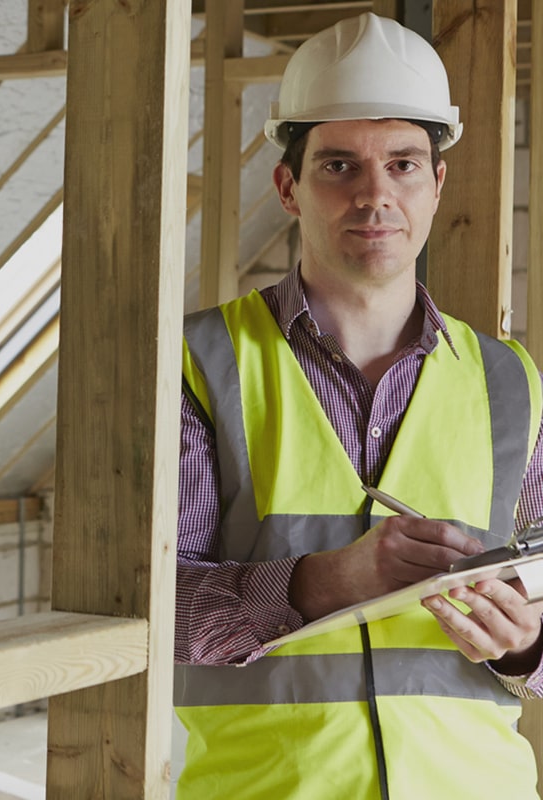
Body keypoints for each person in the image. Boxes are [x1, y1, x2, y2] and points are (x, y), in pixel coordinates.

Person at [174, 12, 543, 800]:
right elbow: (151, 610)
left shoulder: (510, 381)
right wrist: (317, 583)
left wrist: (527, 646)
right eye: (339, 165)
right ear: (288, 187)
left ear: (436, 184)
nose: (375, 195)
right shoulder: (200, 365)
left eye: (404, 164)